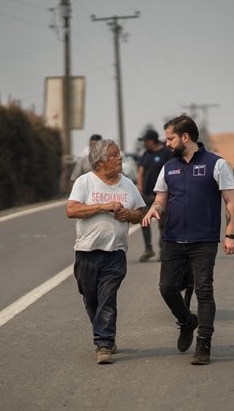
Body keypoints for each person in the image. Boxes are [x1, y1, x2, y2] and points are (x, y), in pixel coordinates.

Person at [141, 114, 234, 365]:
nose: (167, 143)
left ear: (186, 137)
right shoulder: (168, 167)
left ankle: (203, 344)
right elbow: (161, 199)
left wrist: (229, 234)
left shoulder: (217, 164)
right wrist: (155, 210)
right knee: (167, 288)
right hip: (173, 238)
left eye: (171, 138)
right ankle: (187, 321)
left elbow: (231, 201)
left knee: (204, 290)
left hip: (204, 240)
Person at [66, 139, 145, 364]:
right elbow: (71, 210)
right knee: (91, 299)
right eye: (114, 155)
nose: (119, 158)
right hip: (86, 252)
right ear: (100, 161)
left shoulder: (127, 184)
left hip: (115, 253)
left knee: (107, 298)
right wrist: (103, 206)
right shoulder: (85, 182)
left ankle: (104, 344)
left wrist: (127, 215)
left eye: (119, 154)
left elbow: (140, 214)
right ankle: (103, 331)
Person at [136, 129, 173, 262]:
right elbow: (140, 171)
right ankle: (148, 249)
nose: (144, 143)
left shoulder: (166, 153)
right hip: (146, 195)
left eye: (145, 141)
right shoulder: (146, 154)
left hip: (162, 195)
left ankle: (163, 250)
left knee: (162, 224)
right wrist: (139, 188)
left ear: (151, 140)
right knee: (144, 221)